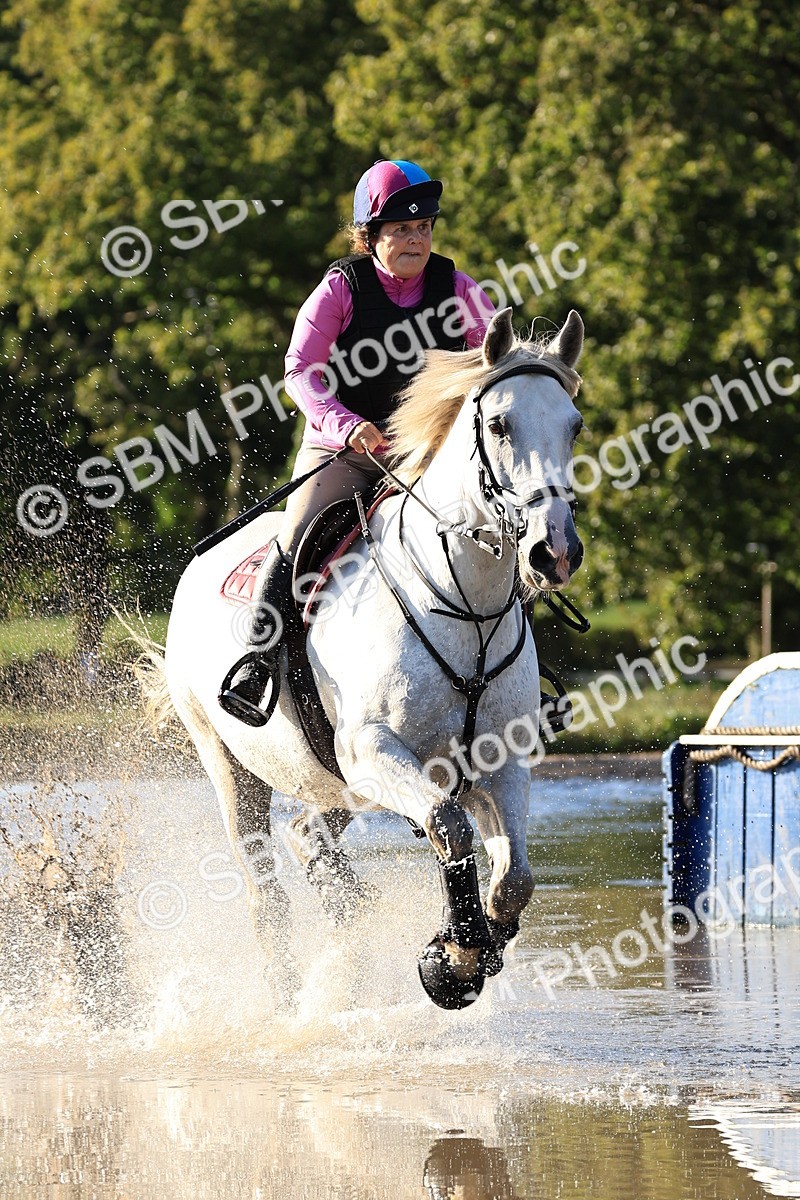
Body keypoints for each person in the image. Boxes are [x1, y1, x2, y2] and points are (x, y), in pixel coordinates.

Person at [219, 158, 497, 726]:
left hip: (424, 457)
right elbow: (300, 369)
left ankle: (516, 678)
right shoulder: (341, 288)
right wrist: (346, 426)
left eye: (424, 228)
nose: (416, 239)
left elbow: (497, 362)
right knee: (297, 535)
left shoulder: (460, 290)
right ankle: (258, 660)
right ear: (370, 235)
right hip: (343, 449)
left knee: (501, 530)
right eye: (401, 229)